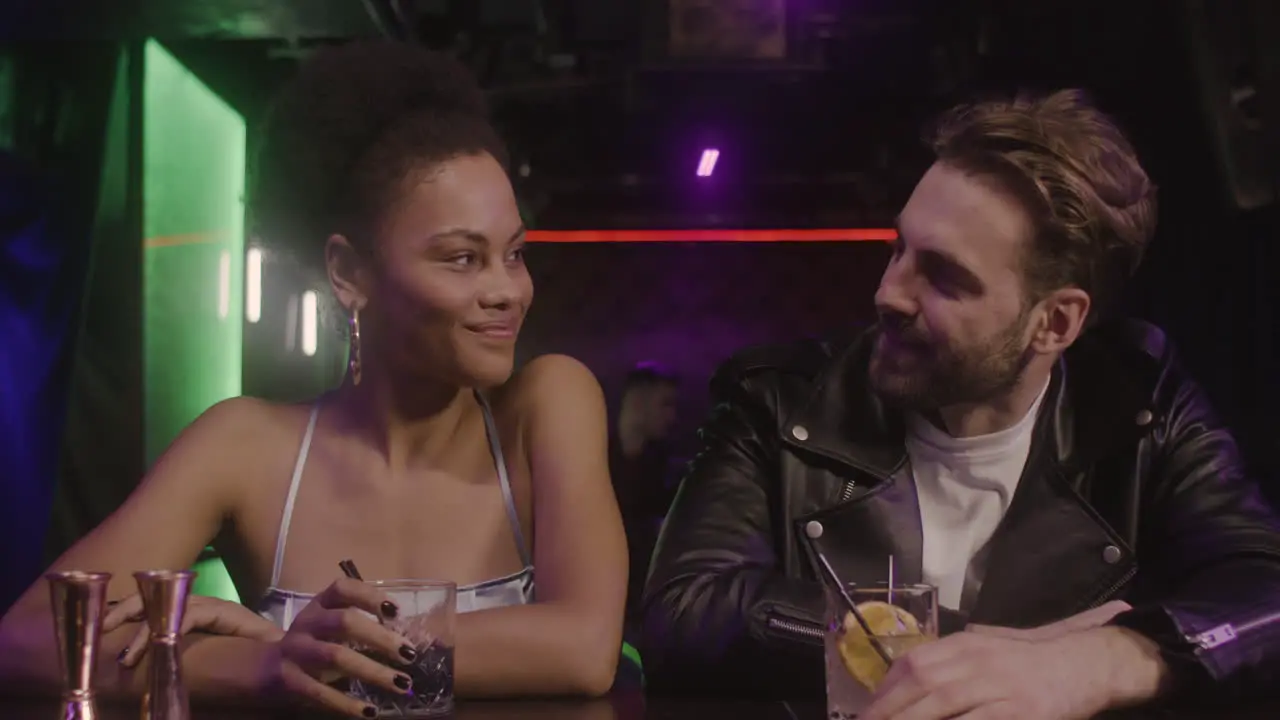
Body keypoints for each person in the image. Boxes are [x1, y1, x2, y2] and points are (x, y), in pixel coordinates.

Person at [0, 40, 626, 716]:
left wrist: (312, 654)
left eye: (514, 254)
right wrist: (265, 662)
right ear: (350, 274)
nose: (507, 290)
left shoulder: (548, 402)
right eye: (462, 258)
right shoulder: (246, 444)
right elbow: (26, 639)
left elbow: (585, 648)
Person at [641, 89, 1280, 717]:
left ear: (1054, 324)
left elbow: (1265, 595)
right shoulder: (780, 401)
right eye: (899, 250)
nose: (889, 293)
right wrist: (990, 652)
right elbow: (687, 611)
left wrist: (1105, 661)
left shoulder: (1140, 404)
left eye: (944, 276)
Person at [608, 363, 680, 641]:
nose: (671, 416)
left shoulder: (660, 464)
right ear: (638, 402)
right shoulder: (593, 459)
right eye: (665, 404)